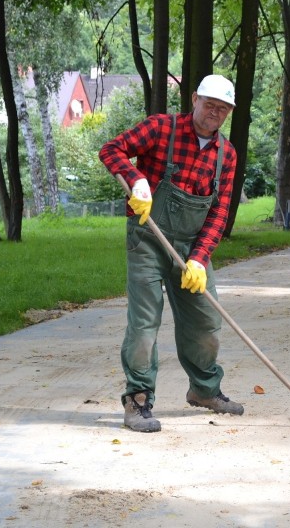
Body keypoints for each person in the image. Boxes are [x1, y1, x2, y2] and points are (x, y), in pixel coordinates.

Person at [99, 74, 243, 433]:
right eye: (209, 104)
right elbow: (110, 149)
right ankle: (138, 399)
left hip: (191, 247)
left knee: (207, 323)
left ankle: (204, 389)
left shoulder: (226, 154)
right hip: (147, 239)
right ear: (194, 99)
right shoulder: (161, 128)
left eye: (222, 109)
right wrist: (136, 180)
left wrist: (199, 257)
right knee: (145, 325)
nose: (215, 113)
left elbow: (219, 212)